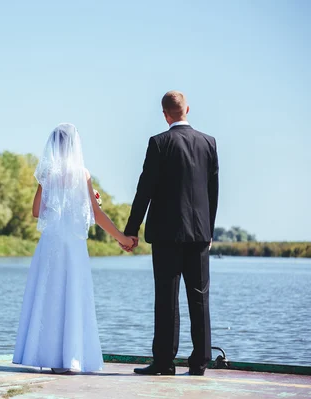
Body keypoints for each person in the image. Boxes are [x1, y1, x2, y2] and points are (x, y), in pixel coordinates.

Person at [12, 123, 134, 373]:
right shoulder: (82, 173)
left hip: (51, 244)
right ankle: (71, 359)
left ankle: (46, 356)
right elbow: (97, 215)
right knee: (72, 297)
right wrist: (122, 238)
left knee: (49, 297)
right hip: (74, 246)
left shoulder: (47, 174)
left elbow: (37, 211)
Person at [124, 91, 219, 376]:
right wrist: (209, 230)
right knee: (200, 296)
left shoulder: (159, 143)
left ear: (165, 114)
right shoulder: (209, 143)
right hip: (200, 234)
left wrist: (131, 230)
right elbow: (213, 192)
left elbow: (145, 190)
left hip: (166, 235)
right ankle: (200, 361)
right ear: (187, 109)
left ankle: (164, 362)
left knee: (167, 297)